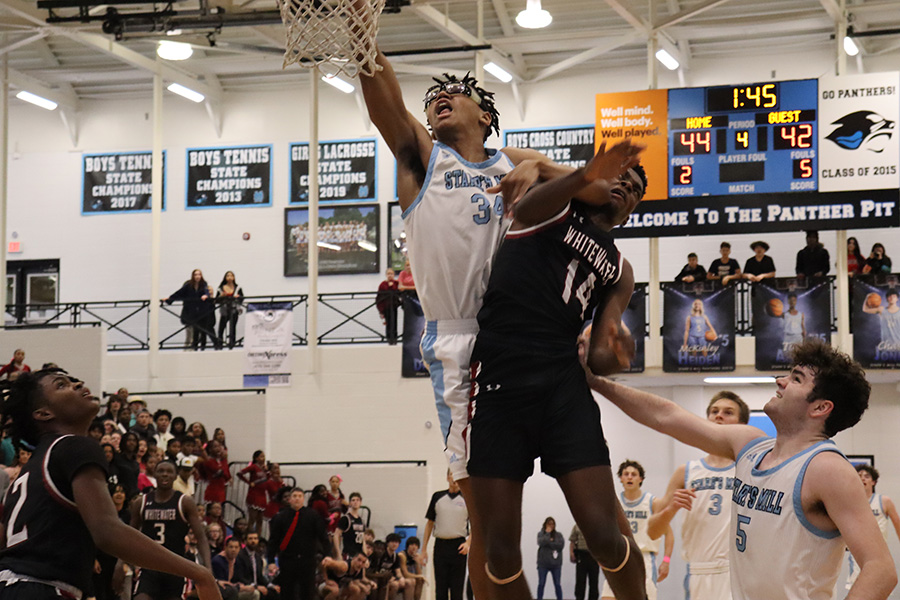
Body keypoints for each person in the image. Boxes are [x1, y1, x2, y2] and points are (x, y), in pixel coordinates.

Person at [351, 11, 634, 597]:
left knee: (599, 520)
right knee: (488, 531)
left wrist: (537, 164)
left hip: (531, 336)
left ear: (487, 115)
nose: (440, 100)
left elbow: (603, 194)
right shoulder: (423, 160)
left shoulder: (515, 164)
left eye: (456, 93)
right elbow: (386, 108)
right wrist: (363, 44)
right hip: (462, 343)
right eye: (432, 99)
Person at [465, 144, 647, 600]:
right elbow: (524, 206)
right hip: (500, 374)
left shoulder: (622, 269)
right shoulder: (558, 208)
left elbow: (601, 358)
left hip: (562, 382)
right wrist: (588, 175)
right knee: (501, 550)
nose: (626, 186)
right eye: (622, 178)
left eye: (636, 189)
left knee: (606, 537)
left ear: (631, 213)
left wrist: (618, 350)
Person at [586, 338, 897, 600]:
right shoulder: (750, 444)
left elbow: (881, 570)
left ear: (820, 407)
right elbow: (666, 416)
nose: (781, 381)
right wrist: (595, 382)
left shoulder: (827, 468)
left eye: (796, 379)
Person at [0, 368, 221, 600]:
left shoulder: (29, 471)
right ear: (43, 413)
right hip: (41, 589)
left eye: (74, 381)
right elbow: (107, 531)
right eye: (61, 384)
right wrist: (198, 572)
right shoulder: (75, 446)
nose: (77, 384)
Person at [645, 391, 749, 600]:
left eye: (728, 412)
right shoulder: (686, 472)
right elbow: (653, 531)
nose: (719, 415)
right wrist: (671, 508)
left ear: (742, 424)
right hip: (697, 571)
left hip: (737, 573)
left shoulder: (749, 470)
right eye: (714, 411)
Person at [129, 460, 212, 600]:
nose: (165, 475)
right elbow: (129, 536)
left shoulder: (184, 502)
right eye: (160, 471)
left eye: (169, 471)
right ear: (154, 474)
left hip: (176, 565)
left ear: (176, 475)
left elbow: (201, 537)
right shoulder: (141, 502)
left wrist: (208, 568)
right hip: (150, 565)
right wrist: (121, 564)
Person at [600, 461, 673, 600]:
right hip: (619, 557)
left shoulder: (652, 502)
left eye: (634, 474)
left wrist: (666, 560)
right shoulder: (614, 503)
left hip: (644, 559)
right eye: (626, 474)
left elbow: (669, 534)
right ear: (620, 478)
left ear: (641, 479)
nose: (629, 477)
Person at [268, 487, 332, 600]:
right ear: (290, 499)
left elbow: (323, 537)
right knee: (287, 592)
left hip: (307, 560)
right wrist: (271, 561)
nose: (297, 499)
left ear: (303, 499)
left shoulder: (313, 516)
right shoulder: (281, 517)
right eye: (294, 496)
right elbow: (273, 540)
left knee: (307, 592)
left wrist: (328, 555)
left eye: (299, 496)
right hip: (288, 560)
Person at [847, 465, 900, 589]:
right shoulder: (850, 503)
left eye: (866, 476)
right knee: (857, 593)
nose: (863, 479)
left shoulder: (884, 501)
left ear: (874, 482)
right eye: (859, 476)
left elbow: (898, 524)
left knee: (877, 592)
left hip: (879, 555)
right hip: (857, 556)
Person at [423, 472, 470, 600]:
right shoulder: (437, 497)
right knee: (441, 590)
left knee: (457, 590)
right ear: (447, 477)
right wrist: (423, 550)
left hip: (459, 547)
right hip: (441, 547)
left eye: (457, 475)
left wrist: (468, 543)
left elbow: (476, 525)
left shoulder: (468, 497)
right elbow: (429, 524)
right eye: (451, 475)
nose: (454, 478)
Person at [165, 269, 214, 351]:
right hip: (190, 312)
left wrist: (206, 295)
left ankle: (200, 349)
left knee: (201, 332)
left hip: (200, 312)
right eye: (196, 275)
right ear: (193, 276)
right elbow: (179, 293)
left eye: (199, 274)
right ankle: (190, 349)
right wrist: (169, 299)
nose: (197, 276)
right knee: (192, 333)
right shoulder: (188, 285)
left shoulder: (203, 284)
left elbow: (207, 291)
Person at [239, 450, 269, 534]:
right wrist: (248, 482)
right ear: (256, 458)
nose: (263, 458)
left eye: (264, 456)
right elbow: (240, 473)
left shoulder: (264, 468)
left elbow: (268, 478)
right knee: (252, 519)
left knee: (260, 521)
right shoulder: (253, 467)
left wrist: (267, 471)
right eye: (261, 456)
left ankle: (257, 539)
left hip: (262, 495)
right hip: (254, 495)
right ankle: (248, 536)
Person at [235, 532, 271, 599]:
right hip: (244, 587)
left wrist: (270, 585)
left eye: (255, 539)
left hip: (257, 586)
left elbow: (260, 576)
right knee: (256, 593)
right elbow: (240, 577)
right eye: (250, 539)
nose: (253, 541)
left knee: (273, 592)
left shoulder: (257, 557)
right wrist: (256, 586)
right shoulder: (240, 556)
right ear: (245, 541)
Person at [536, 518, 564, 600]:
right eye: (549, 524)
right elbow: (540, 542)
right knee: (541, 584)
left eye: (552, 524)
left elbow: (560, 546)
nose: (551, 526)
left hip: (556, 564)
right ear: (545, 524)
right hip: (543, 564)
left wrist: (549, 543)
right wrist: (547, 534)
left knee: (557, 584)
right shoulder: (541, 534)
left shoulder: (559, 535)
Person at [216, 271, 244, 350]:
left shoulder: (238, 287)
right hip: (224, 310)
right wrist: (221, 296)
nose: (229, 277)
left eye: (231, 276)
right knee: (221, 328)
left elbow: (242, 298)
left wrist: (238, 297)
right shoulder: (220, 288)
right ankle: (220, 344)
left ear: (234, 278)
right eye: (228, 276)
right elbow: (216, 300)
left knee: (232, 328)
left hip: (234, 310)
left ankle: (232, 344)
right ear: (225, 277)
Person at [568, 524, 598, 600]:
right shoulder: (577, 526)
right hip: (581, 556)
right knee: (580, 582)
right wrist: (571, 553)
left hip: (593, 556)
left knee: (593, 582)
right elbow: (572, 541)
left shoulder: (596, 525)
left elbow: (601, 541)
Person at [334, 492, 366, 559]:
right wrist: (338, 553)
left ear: (360, 502)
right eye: (353, 500)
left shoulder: (361, 521)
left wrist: (365, 556)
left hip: (359, 555)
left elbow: (363, 540)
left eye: (357, 500)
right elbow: (336, 535)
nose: (355, 502)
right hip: (348, 554)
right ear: (350, 503)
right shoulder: (345, 519)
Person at [376, 268, 402, 345]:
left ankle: (395, 339)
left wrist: (392, 286)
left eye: (391, 274)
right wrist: (380, 310)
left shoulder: (396, 283)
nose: (390, 275)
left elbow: (399, 293)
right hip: (386, 307)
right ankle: (389, 340)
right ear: (386, 275)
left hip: (394, 306)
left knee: (394, 323)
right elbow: (379, 297)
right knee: (388, 324)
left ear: (394, 275)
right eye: (388, 274)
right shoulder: (382, 284)